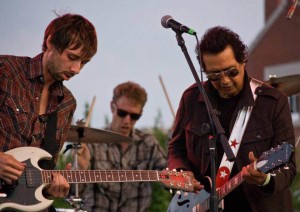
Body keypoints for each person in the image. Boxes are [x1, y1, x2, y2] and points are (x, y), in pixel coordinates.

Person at [167, 26, 296, 212]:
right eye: (214, 76)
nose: (225, 81)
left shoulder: (273, 102)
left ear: (243, 61)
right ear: (204, 71)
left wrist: (265, 179)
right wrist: (181, 174)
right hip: (201, 205)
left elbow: (288, 165)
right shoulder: (191, 99)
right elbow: (176, 149)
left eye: (231, 72)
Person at [0, 13, 97, 208]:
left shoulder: (67, 103)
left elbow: (42, 171)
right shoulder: (5, 71)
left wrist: (51, 188)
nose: (77, 69)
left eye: (84, 62)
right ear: (51, 42)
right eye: (72, 57)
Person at [76, 81, 167, 212]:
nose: (127, 121)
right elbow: (73, 192)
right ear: (112, 107)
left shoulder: (148, 143)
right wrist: (81, 168)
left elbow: (168, 175)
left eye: (134, 116)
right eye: (122, 113)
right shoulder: (92, 143)